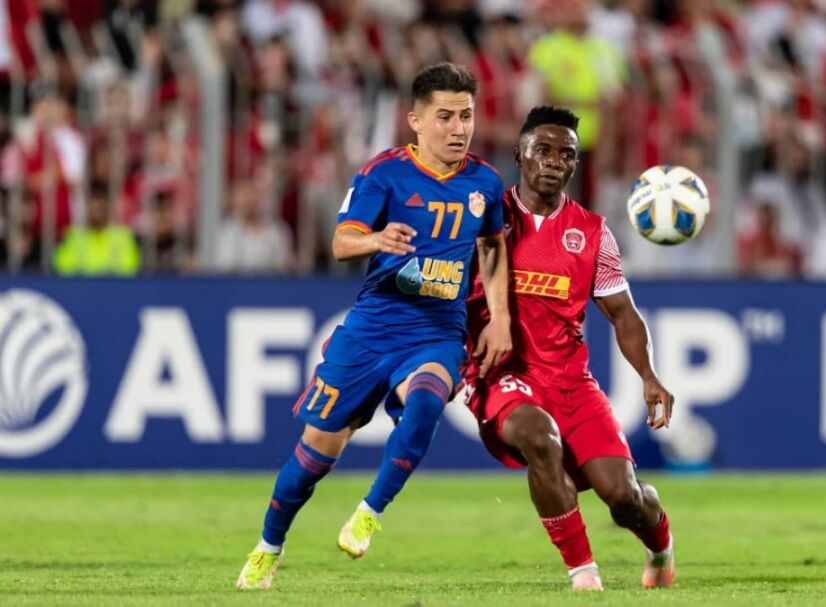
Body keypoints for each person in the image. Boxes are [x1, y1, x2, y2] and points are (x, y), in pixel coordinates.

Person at [237, 62, 512, 589]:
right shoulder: (382, 173)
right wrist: (376, 239)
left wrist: (499, 318)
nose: (459, 128)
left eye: (467, 116)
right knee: (314, 457)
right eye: (446, 117)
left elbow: (493, 248)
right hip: (373, 329)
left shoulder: (486, 182)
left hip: (437, 331)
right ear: (416, 120)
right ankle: (268, 546)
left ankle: (369, 512)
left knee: (427, 399)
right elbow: (342, 242)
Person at [461, 106, 675, 591]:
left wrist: (648, 375)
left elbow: (623, 314)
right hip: (505, 374)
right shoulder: (485, 219)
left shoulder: (593, 233)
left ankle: (661, 543)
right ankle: (584, 574)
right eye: (543, 150)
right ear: (519, 154)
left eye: (567, 154)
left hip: (572, 383)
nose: (555, 161)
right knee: (539, 439)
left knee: (622, 497)